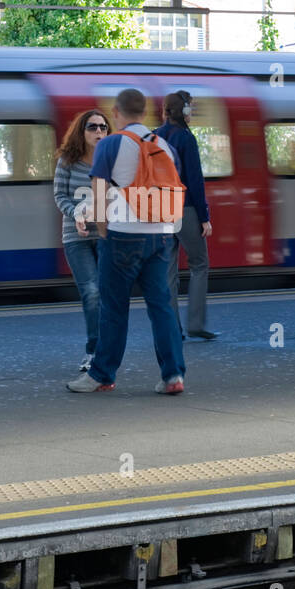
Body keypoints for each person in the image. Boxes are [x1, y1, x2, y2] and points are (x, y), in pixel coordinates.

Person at [66, 88, 186, 395]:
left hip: (122, 236)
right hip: (161, 235)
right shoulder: (164, 146)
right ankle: (173, 375)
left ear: (116, 113)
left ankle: (102, 375)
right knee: (162, 307)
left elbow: (98, 193)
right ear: (145, 114)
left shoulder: (110, 144)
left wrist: (104, 232)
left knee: (114, 308)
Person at [154, 90, 218, 340]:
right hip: (186, 208)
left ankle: (172, 328)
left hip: (162, 210)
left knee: (168, 269)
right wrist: (205, 216)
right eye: (191, 107)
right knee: (199, 264)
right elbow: (195, 180)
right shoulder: (186, 138)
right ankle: (196, 323)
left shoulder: (155, 136)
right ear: (185, 111)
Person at [53, 109, 111, 372]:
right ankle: (94, 352)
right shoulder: (67, 160)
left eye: (103, 127)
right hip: (75, 237)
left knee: (106, 294)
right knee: (91, 292)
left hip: (106, 234)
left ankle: (107, 350)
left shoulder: (111, 159)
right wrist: (76, 212)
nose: (98, 132)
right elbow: (60, 196)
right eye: (92, 127)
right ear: (81, 131)